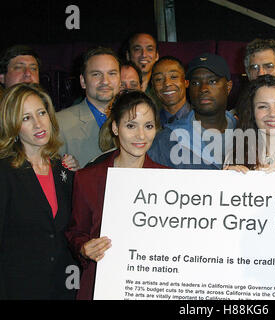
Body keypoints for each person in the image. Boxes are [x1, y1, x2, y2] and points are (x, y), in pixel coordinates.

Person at [65, 90, 167, 300]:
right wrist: (84, 248)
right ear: (115, 127)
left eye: (148, 126)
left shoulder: (167, 180)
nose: (141, 135)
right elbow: (76, 232)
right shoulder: (87, 178)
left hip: (151, 286)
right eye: (131, 126)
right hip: (101, 285)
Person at [0, 83, 77, 299]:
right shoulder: (4, 172)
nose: (38, 123)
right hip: (17, 290)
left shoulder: (63, 168)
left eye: (41, 113)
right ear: (12, 125)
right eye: (26, 118)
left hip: (62, 288)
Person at [148, 52, 237, 169]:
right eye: (196, 83)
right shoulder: (167, 140)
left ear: (228, 87)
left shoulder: (246, 131)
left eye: (212, 81)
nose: (203, 89)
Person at [56, 47, 121, 168]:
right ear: (83, 81)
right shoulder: (59, 123)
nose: (105, 81)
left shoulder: (134, 119)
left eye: (112, 74)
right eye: (96, 74)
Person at [151, 56, 190, 127]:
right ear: (153, 87)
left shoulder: (202, 119)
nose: (167, 84)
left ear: (186, 82)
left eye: (173, 77)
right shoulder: (150, 123)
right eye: (159, 79)